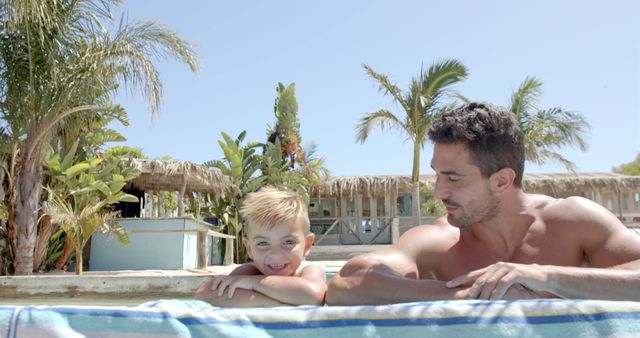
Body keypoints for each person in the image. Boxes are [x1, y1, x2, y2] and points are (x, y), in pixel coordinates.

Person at [326, 102, 640, 305]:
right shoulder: (444, 240)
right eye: (437, 176)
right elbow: (347, 283)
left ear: (502, 180)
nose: (439, 192)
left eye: (454, 178)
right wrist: (467, 295)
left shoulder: (571, 220)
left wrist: (548, 278)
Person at [195, 186, 326, 307]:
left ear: (307, 245)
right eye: (263, 243)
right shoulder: (249, 271)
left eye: (288, 242)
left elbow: (314, 295)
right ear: (250, 249)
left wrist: (253, 283)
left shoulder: (308, 271)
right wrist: (274, 304)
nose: (275, 254)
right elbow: (204, 294)